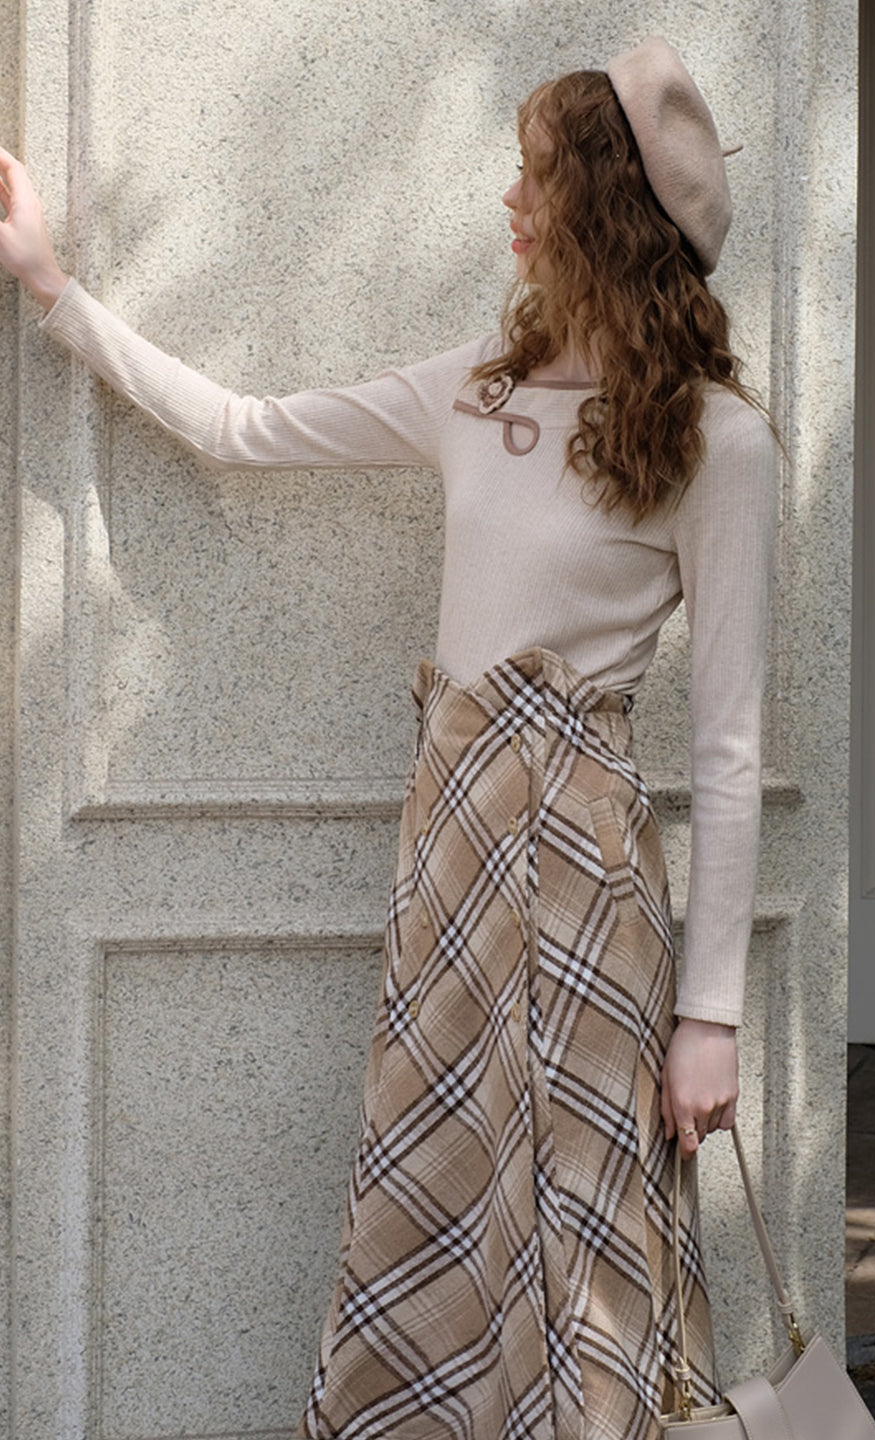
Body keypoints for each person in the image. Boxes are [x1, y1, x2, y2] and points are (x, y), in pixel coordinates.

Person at [0, 35, 777, 1440]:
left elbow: (728, 745)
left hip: (590, 880)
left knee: (587, 1224)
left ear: (601, 209)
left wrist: (710, 1017)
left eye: (536, 177)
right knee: (440, 1194)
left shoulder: (718, 444)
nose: (509, 202)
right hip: (453, 859)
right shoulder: (481, 389)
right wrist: (54, 291)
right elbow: (242, 430)